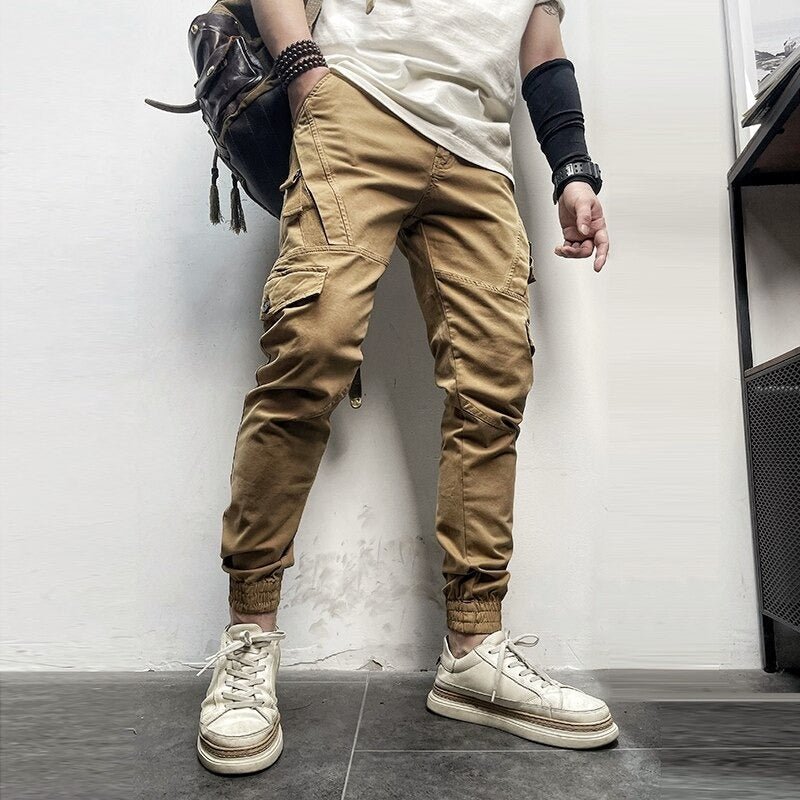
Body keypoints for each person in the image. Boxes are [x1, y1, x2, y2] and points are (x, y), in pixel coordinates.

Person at [195, 0, 616, 775]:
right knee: (309, 351)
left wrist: (573, 169)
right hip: (357, 105)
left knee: (493, 386)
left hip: (480, 152)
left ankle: (473, 651)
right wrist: (306, 76)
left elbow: (543, 49)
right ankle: (248, 638)